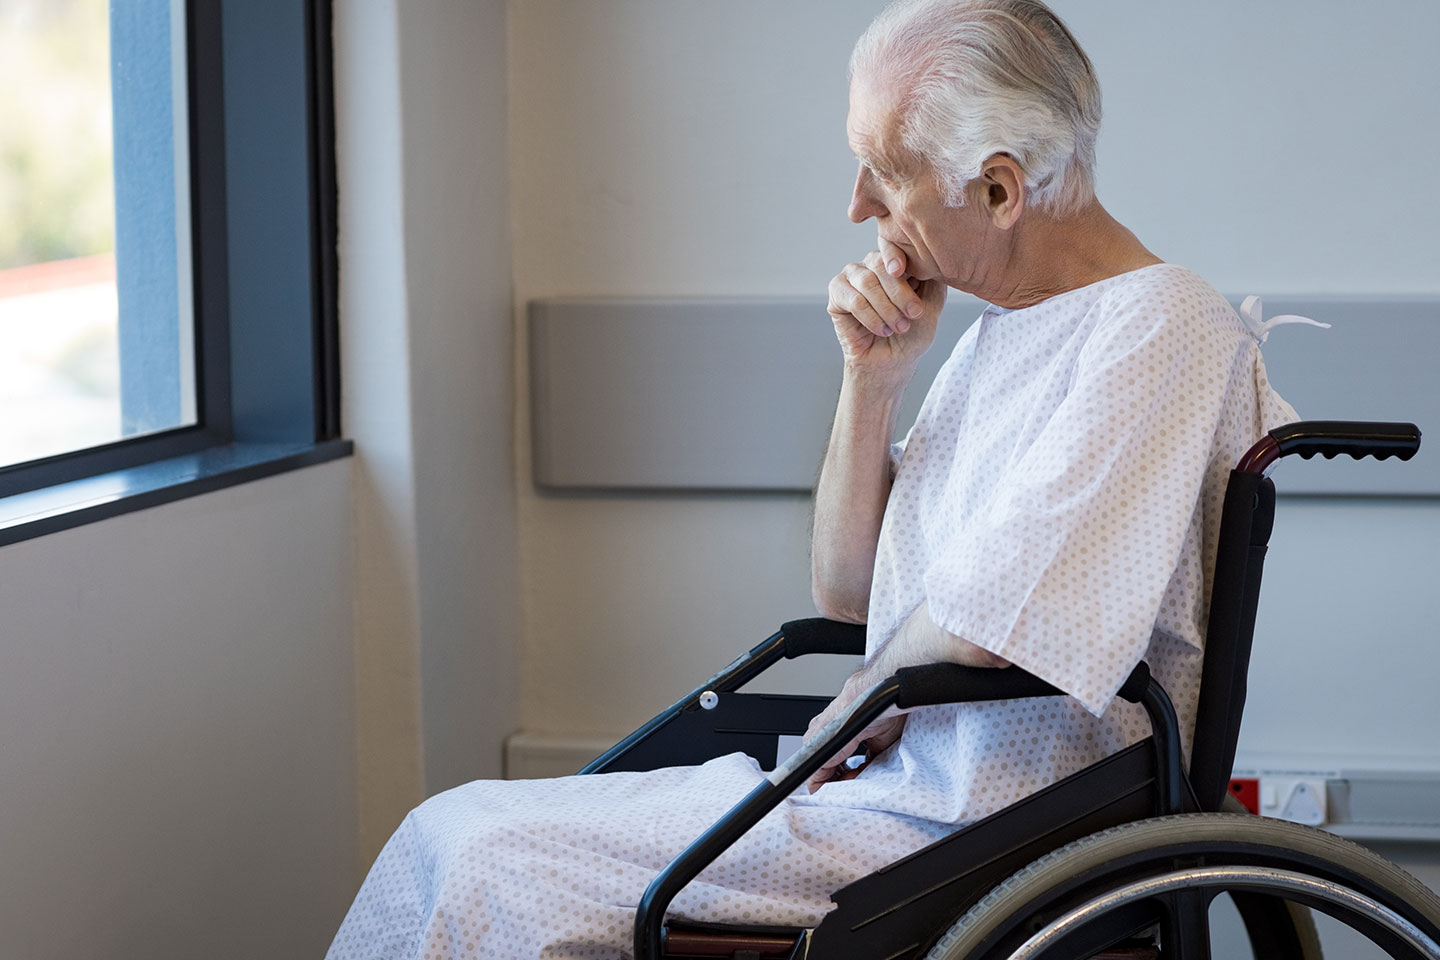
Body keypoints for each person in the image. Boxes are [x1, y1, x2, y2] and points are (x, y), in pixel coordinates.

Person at [326, 1, 1297, 956]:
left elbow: (986, 622)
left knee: (495, 861)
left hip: (978, 823)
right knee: (452, 827)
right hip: (899, 793)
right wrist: (873, 379)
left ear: (999, 192)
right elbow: (849, 590)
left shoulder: (1160, 326)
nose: (857, 205)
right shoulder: (1003, 335)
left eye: (884, 171)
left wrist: (859, 701)